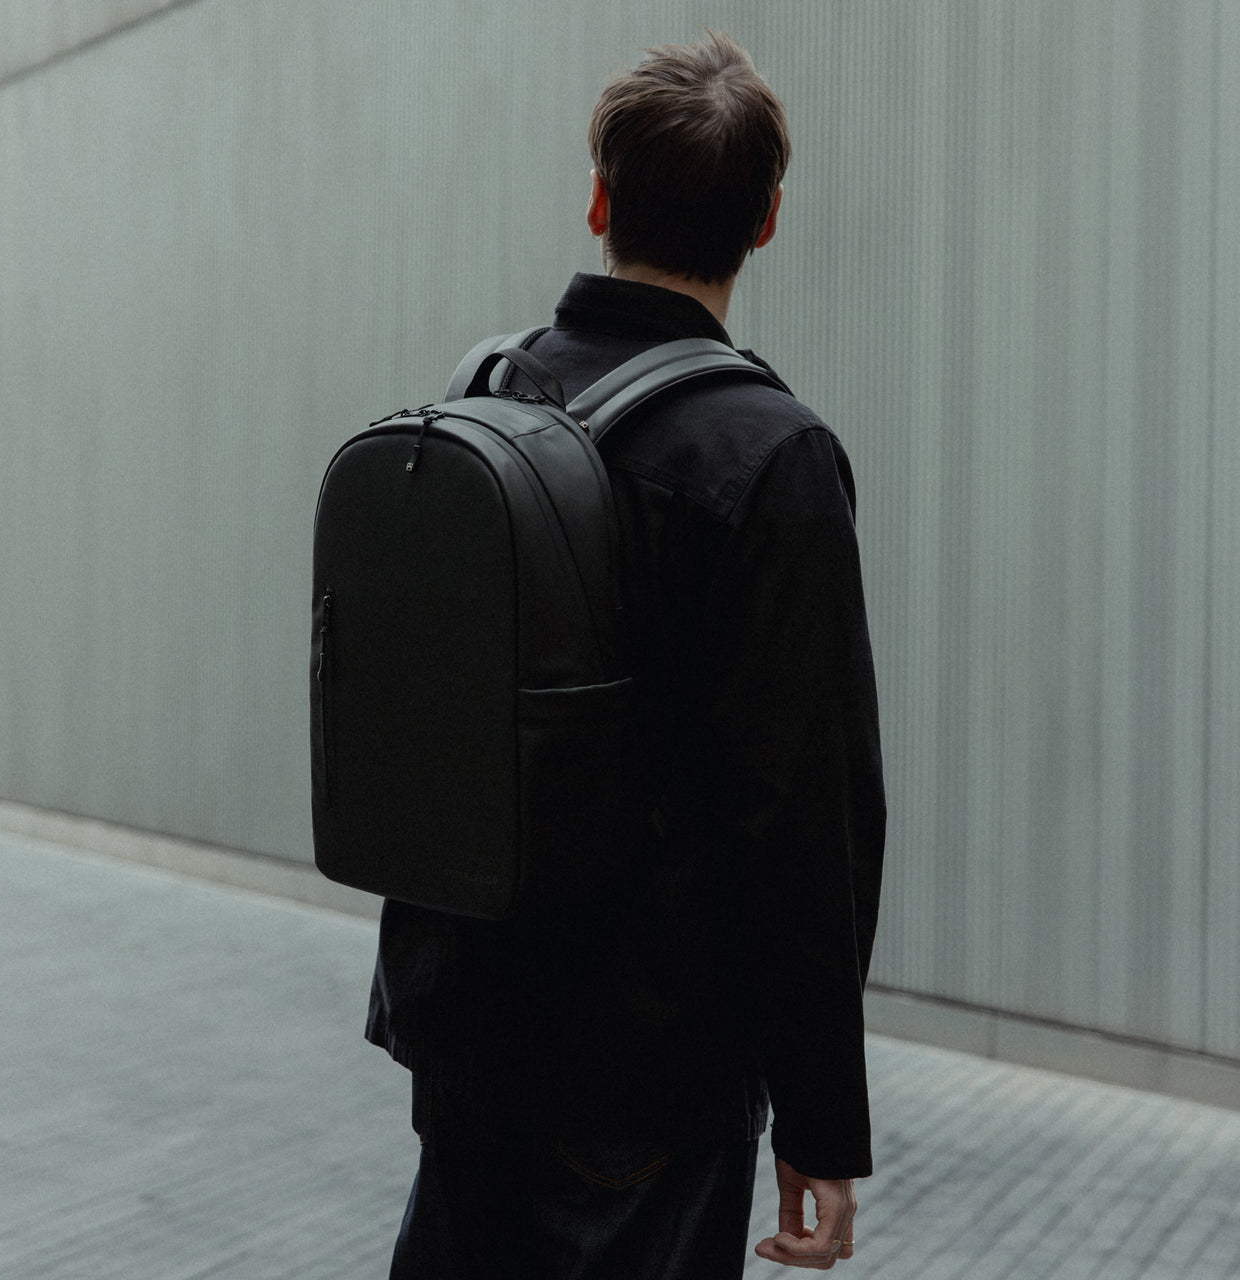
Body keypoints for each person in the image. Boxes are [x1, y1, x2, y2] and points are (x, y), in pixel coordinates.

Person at [367, 31, 886, 1278]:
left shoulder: (483, 392)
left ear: (598, 202)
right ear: (764, 222)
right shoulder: (769, 455)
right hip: (646, 1074)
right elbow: (802, 815)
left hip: (468, 1028)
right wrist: (819, 1122)